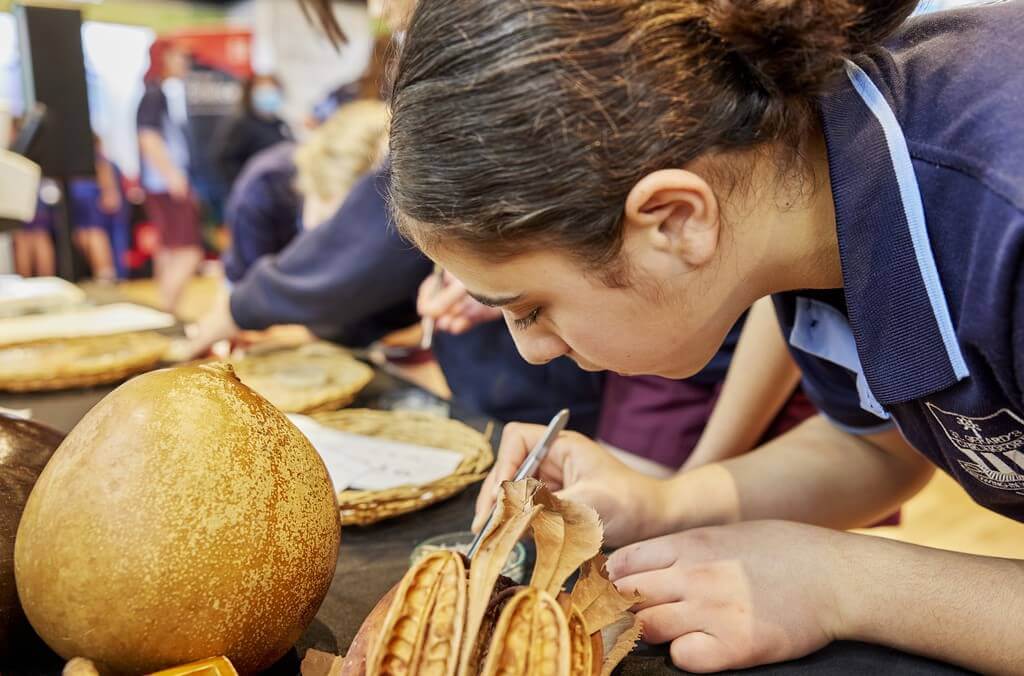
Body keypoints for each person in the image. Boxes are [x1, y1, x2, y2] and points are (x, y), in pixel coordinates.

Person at [369, 0, 1024, 672]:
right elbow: (875, 448)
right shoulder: (808, 184)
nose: (533, 350)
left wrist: (844, 583)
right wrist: (666, 503)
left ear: (676, 222)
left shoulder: (1004, 206)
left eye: (531, 309)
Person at [137, 41, 202, 314]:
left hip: (160, 183)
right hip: (165, 184)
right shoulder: (155, 94)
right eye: (178, 56)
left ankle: (164, 312)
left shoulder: (157, 93)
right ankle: (167, 311)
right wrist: (173, 176)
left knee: (169, 249)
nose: (184, 62)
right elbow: (148, 138)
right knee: (189, 251)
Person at [213, 74, 293, 189]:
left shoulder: (280, 124)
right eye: (264, 91)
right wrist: (244, 185)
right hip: (254, 190)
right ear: (250, 94)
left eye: (272, 90)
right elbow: (225, 161)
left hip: (279, 190)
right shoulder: (242, 124)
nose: (269, 96)